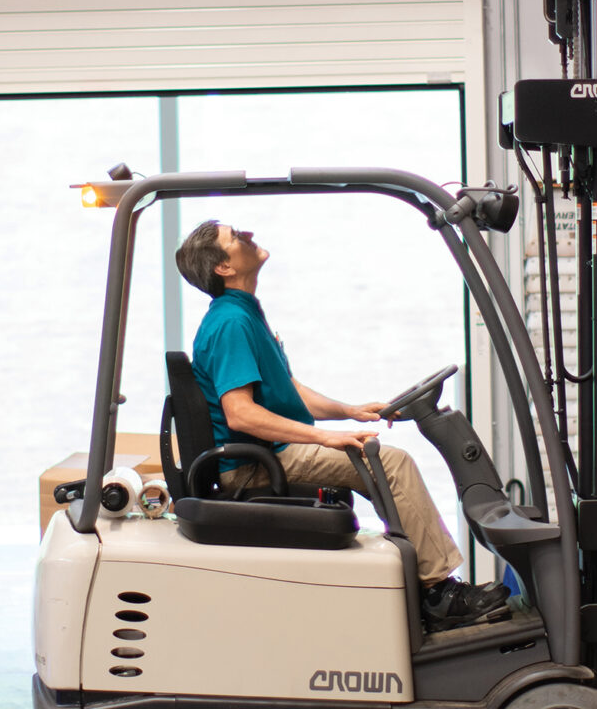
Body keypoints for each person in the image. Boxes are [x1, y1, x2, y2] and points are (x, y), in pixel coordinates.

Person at [175, 219, 510, 632]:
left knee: (381, 459)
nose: (249, 234)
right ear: (224, 267)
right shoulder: (229, 323)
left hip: (272, 453)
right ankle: (439, 593)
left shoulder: (243, 313)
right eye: (235, 236)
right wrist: (325, 437)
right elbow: (240, 413)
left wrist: (351, 411)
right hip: (256, 464)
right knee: (391, 464)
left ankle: (424, 585)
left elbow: (291, 392)